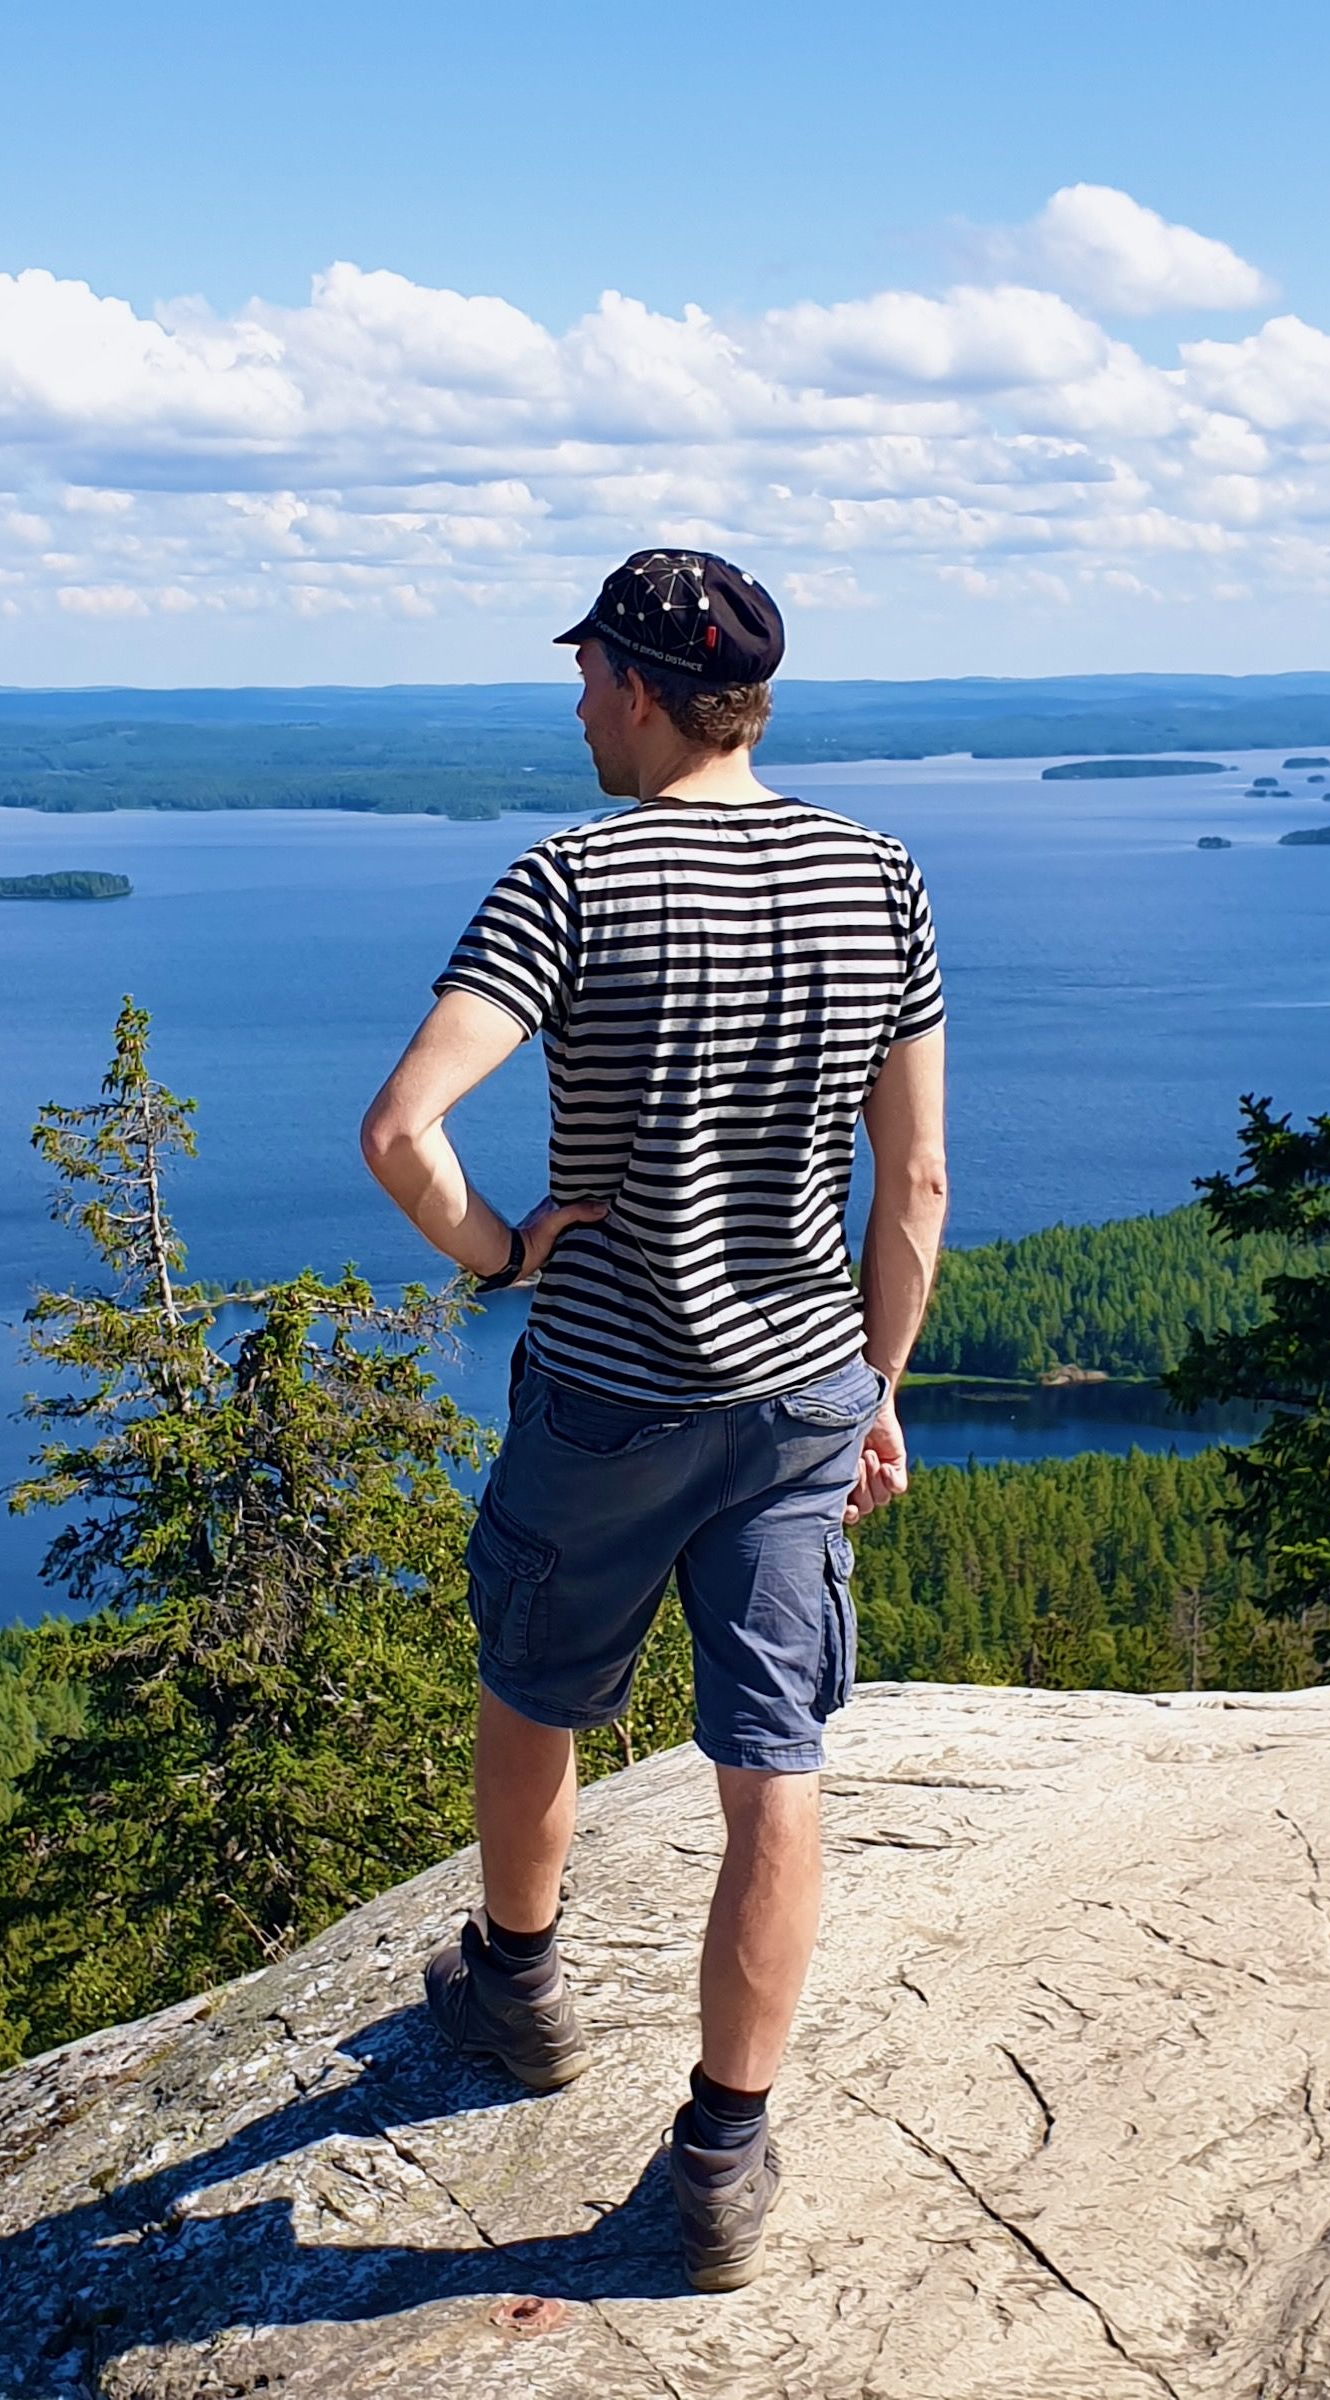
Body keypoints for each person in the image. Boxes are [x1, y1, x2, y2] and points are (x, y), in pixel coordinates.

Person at [359, 548, 948, 2292]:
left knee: (535, 1683)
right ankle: (722, 2160)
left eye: (588, 675)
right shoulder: (878, 875)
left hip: (611, 1389)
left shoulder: (571, 881)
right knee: (774, 1764)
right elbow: (908, 1188)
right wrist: (878, 1398)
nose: (574, 705)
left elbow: (403, 1133)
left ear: (635, 684)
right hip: (796, 1404)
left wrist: (498, 1251)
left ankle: (521, 1991)